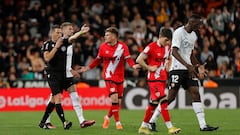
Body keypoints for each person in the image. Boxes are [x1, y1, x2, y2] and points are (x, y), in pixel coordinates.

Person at [149, 14, 219, 132]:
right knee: (170, 97)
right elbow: (174, 51)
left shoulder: (194, 36)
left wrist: (198, 66)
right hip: (176, 68)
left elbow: (190, 54)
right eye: (198, 24)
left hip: (188, 70)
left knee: (196, 93)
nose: (200, 26)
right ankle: (152, 121)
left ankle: (203, 125)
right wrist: (188, 65)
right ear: (191, 23)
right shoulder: (178, 32)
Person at [80, 27, 140, 130]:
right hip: (109, 76)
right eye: (105, 34)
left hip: (120, 77)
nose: (105, 36)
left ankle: (107, 117)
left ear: (114, 36)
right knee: (115, 99)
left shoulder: (123, 46)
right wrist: (88, 68)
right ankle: (118, 123)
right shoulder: (103, 47)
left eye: (107, 35)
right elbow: (98, 60)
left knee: (117, 104)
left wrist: (133, 66)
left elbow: (128, 59)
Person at [42, 22, 95, 129]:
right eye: (70, 29)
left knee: (74, 96)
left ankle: (82, 121)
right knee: (54, 98)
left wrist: (71, 69)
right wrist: (81, 32)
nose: (72, 31)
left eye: (72, 29)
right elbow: (48, 58)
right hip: (56, 74)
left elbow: (66, 60)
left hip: (67, 74)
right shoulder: (57, 43)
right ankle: (47, 121)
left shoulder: (68, 43)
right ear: (63, 30)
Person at [136, 27, 181, 135]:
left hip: (162, 79)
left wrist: (168, 67)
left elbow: (169, 58)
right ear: (160, 37)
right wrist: (148, 67)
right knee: (164, 101)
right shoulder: (151, 47)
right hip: (153, 80)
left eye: (169, 41)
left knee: (153, 104)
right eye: (166, 40)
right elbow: (139, 59)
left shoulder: (167, 48)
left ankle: (143, 127)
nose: (168, 43)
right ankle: (170, 128)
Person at [38, 25, 72, 130]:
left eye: (60, 33)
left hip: (61, 75)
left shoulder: (63, 43)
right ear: (52, 33)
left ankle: (43, 122)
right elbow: (47, 58)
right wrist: (56, 47)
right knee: (58, 97)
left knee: (53, 100)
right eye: (57, 32)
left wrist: (81, 32)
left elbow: (72, 38)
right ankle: (65, 122)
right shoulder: (47, 44)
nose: (59, 34)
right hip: (51, 74)